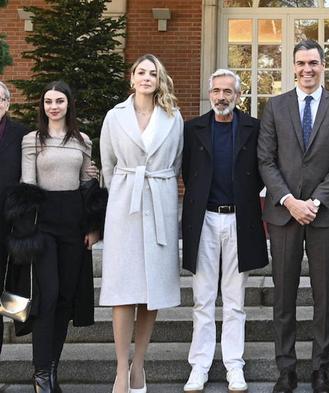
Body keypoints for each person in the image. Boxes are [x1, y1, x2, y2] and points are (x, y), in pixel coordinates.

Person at [258, 39, 329, 393]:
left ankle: (320, 369)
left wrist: (314, 201)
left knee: (324, 297)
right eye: (301, 63)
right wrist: (288, 200)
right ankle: (286, 370)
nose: (307, 69)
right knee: (283, 296)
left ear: (323, 66)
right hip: (283, 215)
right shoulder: (275, 106)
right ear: (293, 67)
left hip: (324, 215)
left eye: (313, 63)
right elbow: (265, 159)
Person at [7, 80, 101, 393]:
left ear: (68, 105)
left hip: (74, 225)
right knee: (47, 298)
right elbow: (28, 184)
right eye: (48, 101)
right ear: (42, 106)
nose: (53, 106)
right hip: (43, 225)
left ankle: (51, 370)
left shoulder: (83, 140)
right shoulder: (32, 139)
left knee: (64, 300)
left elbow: (88, 185)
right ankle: (40, 375)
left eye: (59, 101)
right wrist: (27, 231)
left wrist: (92, 226)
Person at [99, 54, 183, 393]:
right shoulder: (114, 116)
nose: (146, 78)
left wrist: (158, 190)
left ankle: (139, 365)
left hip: (160, 202)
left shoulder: (172, 116)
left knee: (153, 293)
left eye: (153, 73)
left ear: (159, 79)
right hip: (125, 206)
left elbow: (175, 163)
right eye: (141, 72)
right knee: (123, 292)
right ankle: (121, 369)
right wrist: (124, 191)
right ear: (131, 78)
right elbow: (107, 164)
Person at [181, 68, 268, 393]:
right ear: (209, 94)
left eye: (227, 91)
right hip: (203, 221)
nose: (221, 97)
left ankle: (234, 366)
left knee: (235, 300)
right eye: (216, 91)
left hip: (239, 221)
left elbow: (260, 172)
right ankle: (199, 367)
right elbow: (189, 173)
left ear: (238, 95)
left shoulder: (253, 128)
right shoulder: (192, 129)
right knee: (202, 300)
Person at [0, 81, 28, 356]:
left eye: (0, 100)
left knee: (11, 287)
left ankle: (16, 321)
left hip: (11, 225)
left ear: (7, 104)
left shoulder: (22, 134)